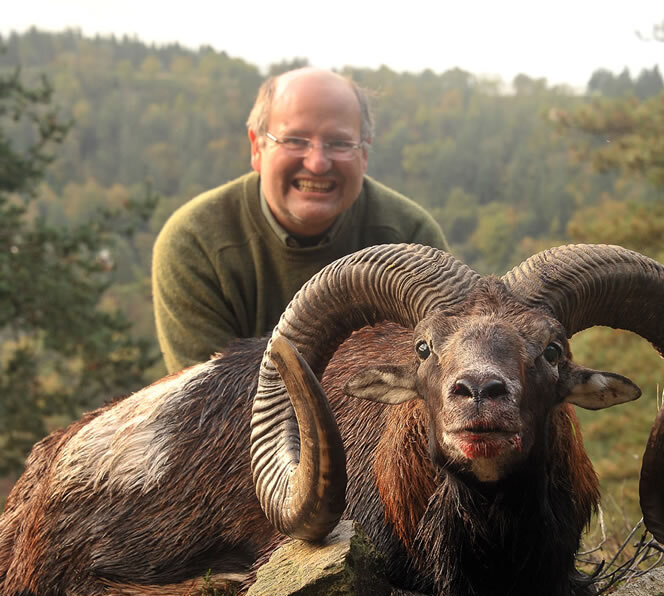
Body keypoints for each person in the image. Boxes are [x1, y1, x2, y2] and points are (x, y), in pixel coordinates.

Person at [152, 68, 448, 372]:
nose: (317, 163)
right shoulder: (195, 243)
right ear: (257, 147)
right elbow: (208, 403)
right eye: (294, 140)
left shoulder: (411, 239)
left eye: (339, 143)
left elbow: (437, 379)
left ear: (365, 153)